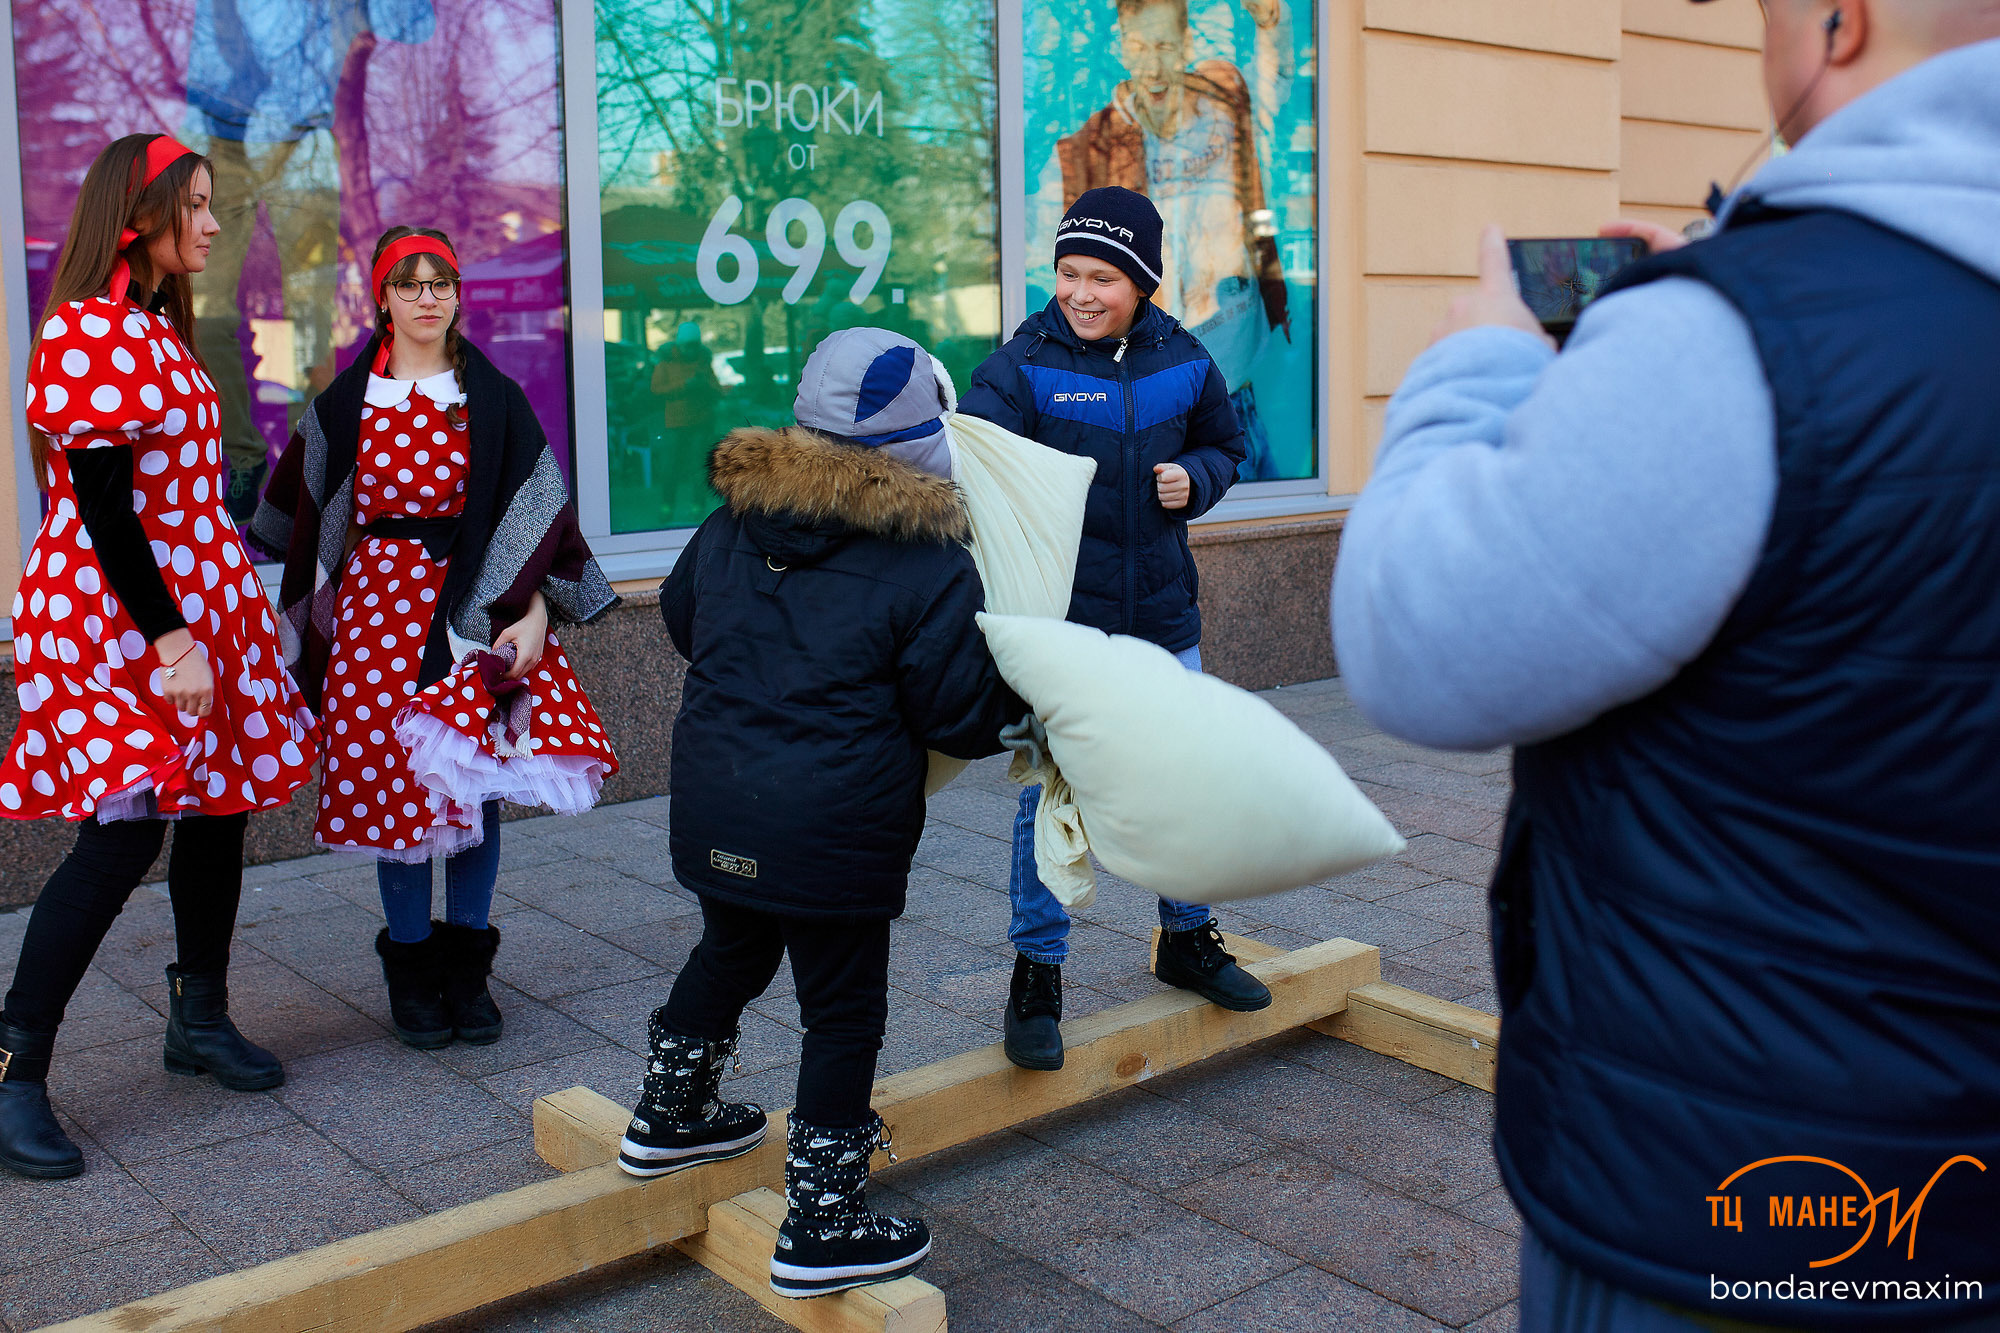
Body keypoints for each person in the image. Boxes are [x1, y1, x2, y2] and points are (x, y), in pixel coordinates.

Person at [1331, 2, 2000, 1328]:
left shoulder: (1741, 337)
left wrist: (1481, 359)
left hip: (1739, 1203)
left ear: (1834, 24)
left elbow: (1415, 644)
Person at [617, 328, 1021, 1299]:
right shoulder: (928, 564)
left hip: (718, 800)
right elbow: (956, 718)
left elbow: (680, 618)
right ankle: (823, 1219)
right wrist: (1023, 697)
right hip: (834, 827)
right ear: (919, 440)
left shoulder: (730, 522)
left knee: (733, 946)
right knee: (841, 1010)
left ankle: (669, 1112)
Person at [0, 134, 319, 1180]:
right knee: (123, 831)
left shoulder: (151, 325)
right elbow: (97, 507)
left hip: (191, 608)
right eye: (196, 203)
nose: (215, 223)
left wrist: (220, 618)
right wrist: (172, 638)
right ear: (137, 216)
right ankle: (12, 1066)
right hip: (124, 618)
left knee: (218, 808)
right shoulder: (90, 330)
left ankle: (199, 1015)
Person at [253, 226, 616, 1050]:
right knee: (398, 793)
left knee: (475, 794)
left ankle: (468, 972)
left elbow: (538, 522)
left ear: (457, 292)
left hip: (473, 608)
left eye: (441, 282)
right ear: (381, 297)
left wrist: (535, 613)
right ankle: (412, 972)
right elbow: (299, 516)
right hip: (375, 618)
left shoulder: (493, 397)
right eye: (409, 283)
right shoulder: (342, 404)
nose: (427, 298)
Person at [958, 185, 1265, 1073]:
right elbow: (974, 456)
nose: (1080, 292)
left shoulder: (1186, 359)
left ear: (1142, 282)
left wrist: (1196, 480)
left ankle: (1187, 936)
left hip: (1164, 615)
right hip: (1067, 626)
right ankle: (1037, 973)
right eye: (1066, 273)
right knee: (1053, 795)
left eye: (1102, 276)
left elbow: (1226, 444)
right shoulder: (1024, 364)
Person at [1051, 0, 1293, 478]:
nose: (1153, 65)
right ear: (1121, 48)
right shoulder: (1099, 142)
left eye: (1164, 45)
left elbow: (1275, 92)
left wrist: (1269, 22)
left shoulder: (1223, 101)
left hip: (1235, 376)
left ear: (1185, 43)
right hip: (1159, 392)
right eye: (1138, 47)